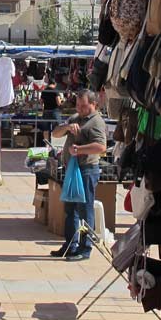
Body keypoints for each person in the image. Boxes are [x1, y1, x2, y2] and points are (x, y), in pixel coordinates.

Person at [51, 90, 107, 261]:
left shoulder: (96, 122)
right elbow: (55, 133)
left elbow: (101, 147)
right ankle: (70, 244)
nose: (80, 109)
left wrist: (79, 150)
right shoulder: (76, 118)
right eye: (78, 105)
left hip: (87, 170)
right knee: (71, 210)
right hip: (72, 170)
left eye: (84, 106)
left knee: (85, 210)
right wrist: (67, 127)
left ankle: (85, 248)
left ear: (93, 104)